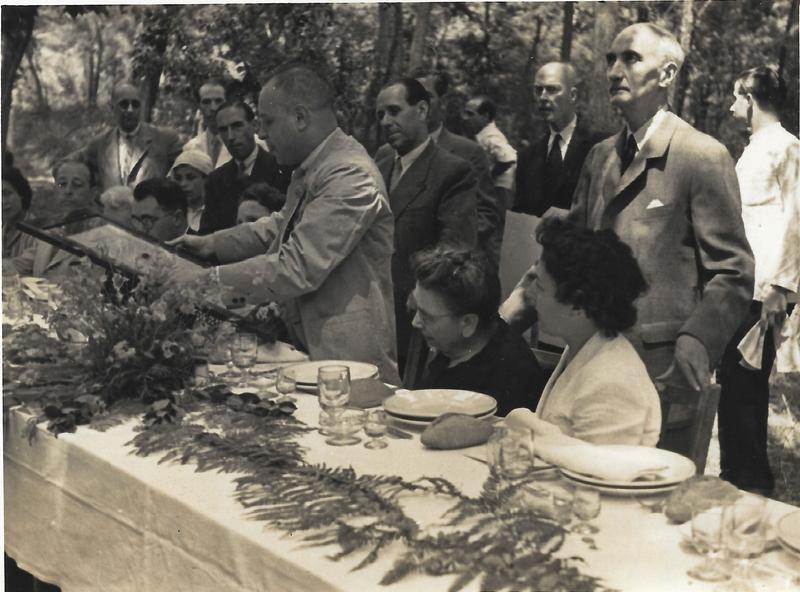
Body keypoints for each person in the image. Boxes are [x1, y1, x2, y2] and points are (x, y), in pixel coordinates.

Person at [168, 64, 400, 385]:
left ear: (300, 117)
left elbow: (297, 266)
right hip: (316, 352)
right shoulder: (317, 165)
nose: (261, 134)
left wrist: (207, 281)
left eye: (268, 122)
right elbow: (281, 226)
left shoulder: (350, 173)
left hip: (348, 364)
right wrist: (211, 244)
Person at [566, 23, 754, 417]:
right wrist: (503, 315)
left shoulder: (701, 155)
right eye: (611, 60)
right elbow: (565, 253)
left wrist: (699, 337)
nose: (614, 71)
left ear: (667, 74)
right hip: (588, 361)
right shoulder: (599, 157)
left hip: (660, 373)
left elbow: (733, 272)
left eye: (630, 58)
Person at [719, 65, 800, 495]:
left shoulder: (788, 148)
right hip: (741, 285)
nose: (732, 106)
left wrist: (781, 290)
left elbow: (796, 221)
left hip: (766, 293)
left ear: (750, 99)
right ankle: (734, 476)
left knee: (745, 388)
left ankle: (751, 485)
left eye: (736, 97)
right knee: (732, 386)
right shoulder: (754, 149)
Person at [510, 217, 660, 445]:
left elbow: (599, 465)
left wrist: (518, 422)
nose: (529, 294)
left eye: (539, 286)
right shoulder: (582, 347)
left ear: (577, 305)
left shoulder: (611, 381)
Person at [373, 78, 478, 372]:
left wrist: (422, 295)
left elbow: (455, 247)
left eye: (394, 111)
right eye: (380, 114)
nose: (385, 121)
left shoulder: (452, 171)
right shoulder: (381, 160)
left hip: (412, 314)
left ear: (421, 110)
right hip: (368, 307)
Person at [410, 245, 545, 416]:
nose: (415, 322)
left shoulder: (504, 380)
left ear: (468, 323)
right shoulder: (457, 346)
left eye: (426, 317)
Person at [414, 69, 504, 266]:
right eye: (411, 98)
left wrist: (449, 252)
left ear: (443, 102)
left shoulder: (469, 153)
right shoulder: (388, 153)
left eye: (427, 97)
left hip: (444, 268)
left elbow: (486, 214)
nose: (419, 105)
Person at [513, 62, 607, 217]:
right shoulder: (526, 157)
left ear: (573, 95)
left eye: (552, 89)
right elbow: (519, 216)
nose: (543, 97)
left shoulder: (600, 147)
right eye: (538, 90)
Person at [198, 99, 291, 234]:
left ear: (254, 126)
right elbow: (206, 234)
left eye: (237, 126)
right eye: (223, 130)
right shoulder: (215, 180)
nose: (230, 136)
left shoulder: (283, 169)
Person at [70, 83, 183, 191]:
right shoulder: (100, 144)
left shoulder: (165, 139)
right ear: (112, 108)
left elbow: (186, 170)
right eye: (124, 104)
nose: (130, 110)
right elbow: (67, 164)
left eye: (135, 104)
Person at [12, 160, 98, 277]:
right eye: (62, 184)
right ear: (54, 190)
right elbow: (18, 265)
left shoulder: (102, 240)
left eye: (77, 185)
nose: (68, 191)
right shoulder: (49, 232)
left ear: (92, 193)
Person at [183, 79, 269, 169]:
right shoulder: (190, 148)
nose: (213, 108)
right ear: (199, 106)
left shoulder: (256, 144)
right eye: (206, 102)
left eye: (218, 101)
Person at [461, 95, 517, 209]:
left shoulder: (490, 136)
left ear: (485, 116)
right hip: (495, 187)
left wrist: (489, 176)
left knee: (501, 215)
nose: (465, 118)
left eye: (470, 114)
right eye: (465, 113)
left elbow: (509, 158)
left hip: (501, 187)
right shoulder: (481, 135)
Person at [131, 178, 189, 242]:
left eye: (147, 221)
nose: (139, 230)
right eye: (135, 220)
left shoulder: (196, 246)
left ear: (177, 218)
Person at [169, 149, 213, 232]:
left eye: (191, 177)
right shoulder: (170, 213)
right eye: (178, 178)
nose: (183, 184)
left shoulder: (216, 213)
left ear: (206, 179)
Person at [2, 162, 37, 259]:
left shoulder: (39, 232)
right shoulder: (3, 231)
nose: (3, 201)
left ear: (21, 193)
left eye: (7, 193)